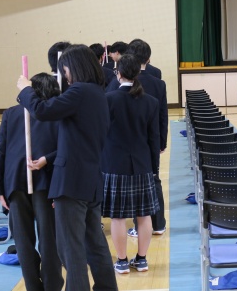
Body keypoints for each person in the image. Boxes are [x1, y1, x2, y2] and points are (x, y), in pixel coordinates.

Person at [16, 44, 118, 291]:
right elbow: (77, 141)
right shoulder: (98, 93)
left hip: (71, 181)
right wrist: (48, 159)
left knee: (70, 249)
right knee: (95, 244)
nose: (64, 75)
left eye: (65, 70)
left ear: (74, 67)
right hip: (90, 179)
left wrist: (26, 90)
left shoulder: (79, 92)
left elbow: (42, 110)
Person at [0, 73, 64, 291]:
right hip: (40, 183)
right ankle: (50, 285)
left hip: (19, 182)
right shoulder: (55, 115)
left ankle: (35, 286)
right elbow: (2, 150)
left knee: (25, 239)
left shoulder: (12, 113)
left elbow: (0, 152)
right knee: (46, 238)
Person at [102, 54, 160, 273]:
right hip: (142, 165)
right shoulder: (151, 102)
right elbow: (154, 140)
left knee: (118, 217)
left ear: (118, 74)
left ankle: (122, 261)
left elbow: (100, 134)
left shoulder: (108, 99)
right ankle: (142, 259)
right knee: (144, 215)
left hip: (114, 165)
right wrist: (153, 168)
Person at [109, 39, 168, 238]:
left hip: (122, 145)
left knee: (129, 190)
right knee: (153, 181)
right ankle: (158, 224)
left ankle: (139, 226)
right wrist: (161, 142)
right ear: (148, 58)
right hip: (149, 142)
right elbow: (163, 116)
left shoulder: (117, 85)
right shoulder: (158, 82)